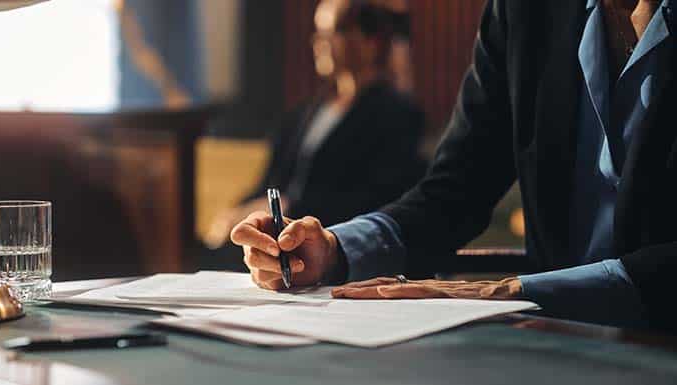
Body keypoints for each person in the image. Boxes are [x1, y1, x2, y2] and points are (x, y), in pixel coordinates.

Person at [231, 0, 677, 333]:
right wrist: (333, 250)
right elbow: (454, 190)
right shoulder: (523, 11)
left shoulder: (388, 110)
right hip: (554, 344)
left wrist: (506, 293)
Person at [202, 0, 427, 249]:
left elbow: (373, 197)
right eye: (319, 33)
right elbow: (270, 182)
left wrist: (291, 208)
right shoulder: (303, 114)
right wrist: (238, 213)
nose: (320, 42)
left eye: (335, 32)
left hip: (331, 243)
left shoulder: (397, 114)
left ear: (371, 41)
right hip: (275, 235)